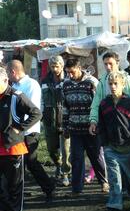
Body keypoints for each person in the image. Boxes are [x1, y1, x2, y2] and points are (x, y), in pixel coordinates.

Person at [7, 60, 56, 203]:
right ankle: (17, 193)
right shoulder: (14, 85)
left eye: (8, 73)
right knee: (18, 163)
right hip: (17, 131)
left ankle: (49, 188)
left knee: (31, 162)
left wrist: (21, 128)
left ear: (13, 72)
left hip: (29, 131)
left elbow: (33, 110)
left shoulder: (31, 85)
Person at [98, 71, 130, 211]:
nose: (113, 87)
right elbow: (102, 125)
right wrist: (104, 144)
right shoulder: (104, 103)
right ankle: (115, 206)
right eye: (110, 84)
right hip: (111, 148)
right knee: (114, 179)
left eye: (116, 84)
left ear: (123, 85)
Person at [0, 67, 42, 211]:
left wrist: (20, 128)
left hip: (13, 148)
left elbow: (36, 113)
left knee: (14, 185)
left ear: (5, 80)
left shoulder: (16, 96)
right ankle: (4, 207)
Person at [62, 58, 108, 194]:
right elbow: (65, 107)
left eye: (72, 72)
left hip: (92, 129)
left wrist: (99, 125)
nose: (70, 75)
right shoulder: (66, 85)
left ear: (79, 68)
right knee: (76, 158)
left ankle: (104, 182)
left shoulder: (91, 82)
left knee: (96, 157)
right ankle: (77, 188)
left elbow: (100, 105)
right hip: (75, 129)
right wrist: (65, 126)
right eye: (67, 72)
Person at [41, 56, 71, 186]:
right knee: (51, 149)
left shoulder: (68, 80)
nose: (54, 69)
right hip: (49, 118)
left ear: (62, 66)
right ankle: (58, 165)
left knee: (66, 149)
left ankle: (65, 173)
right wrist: (41, 115)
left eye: (57, 66)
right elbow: (41, 99)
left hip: (64, 118)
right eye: (52, 66)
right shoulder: (45, 80)